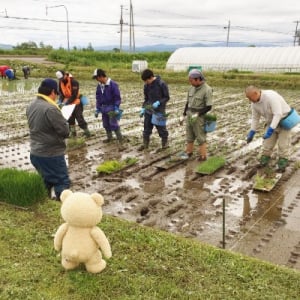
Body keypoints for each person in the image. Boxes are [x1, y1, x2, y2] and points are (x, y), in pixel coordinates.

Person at [26, 78, 70, 200]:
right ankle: (61, 210)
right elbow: (65, 132)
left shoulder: (31, 105)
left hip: (35, 153)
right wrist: (64, 120)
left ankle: (46, 205)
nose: (56, 96)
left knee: (45, 181)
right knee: (62, 183)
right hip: (51, 155)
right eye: (56, 93)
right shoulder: (50, 108)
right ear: (52, 92)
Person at [245, 85, 292, 171]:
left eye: (250, 97)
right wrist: (252, 131)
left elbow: (278, 114)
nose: (249, 100)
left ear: (256, 93)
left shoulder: (270, 97)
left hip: (284, 120)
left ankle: (283, 161)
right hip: (271, 121)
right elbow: (255, 118)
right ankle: (265, 158)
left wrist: (270, 130)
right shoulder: (254, 104)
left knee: (283, 144)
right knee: (267, 143)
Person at [180, 69, 213, 161]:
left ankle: (203, 156)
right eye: (189, 81)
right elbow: (188, 102)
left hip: (199, 116)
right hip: (190, 113)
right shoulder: (191, 89)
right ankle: (188, 152)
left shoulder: (207, 89)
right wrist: (183, 115)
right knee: (189, 135)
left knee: (200, 136)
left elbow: (209, 106)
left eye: (192, 81)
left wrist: (198, 114)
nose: (190, 83)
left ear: (198, 79)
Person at [139, 68, 170, 150]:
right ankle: (145, 144)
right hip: (149, 110)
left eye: (146, 81)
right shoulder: (146, 86)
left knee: (161, 128)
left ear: (151, 77)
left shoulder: (161, 84)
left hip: (159, 110)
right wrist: (143, 108)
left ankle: (165, 144)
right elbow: (146, 99)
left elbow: (167, 97)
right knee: (146, 128)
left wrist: (159, 102)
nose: (146, 83)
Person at [56, 70, 91, 138]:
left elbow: (74, 95)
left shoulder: (74, 82)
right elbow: (61, 93)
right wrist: (60, 101)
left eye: (62, 78)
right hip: (67, 104)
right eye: (60, 79)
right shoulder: (60, 82)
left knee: (79, 119)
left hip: (76, 102)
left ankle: (87, 133)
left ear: (65, 75)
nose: (61, 80)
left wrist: (66, 103)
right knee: (70, 119)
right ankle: (73, 134)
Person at [92, 68, 123, 144]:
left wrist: (116, 107)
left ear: (100, 76)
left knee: (113, 124)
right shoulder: (99, 86)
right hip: (104, 108)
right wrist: (98, 108)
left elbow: (117, 97)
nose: (97, 80)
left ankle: (120, 140)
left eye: (96, 78)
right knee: (105, 124)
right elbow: (98, 98)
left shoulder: (113, 84)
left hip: (112, 107)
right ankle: (110, 138)